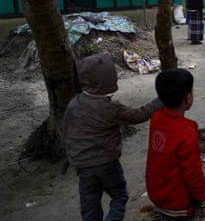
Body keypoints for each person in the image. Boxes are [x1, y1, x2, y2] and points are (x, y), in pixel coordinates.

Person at [62, 53, 163, 221]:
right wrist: (160, 101)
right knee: (119, 196)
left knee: (89, 205)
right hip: (106, 163)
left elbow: (66, 132)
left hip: (82, 165)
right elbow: (138, 115)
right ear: (110, 80)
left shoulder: (74, 103)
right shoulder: (110, 108)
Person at [146, 68, 205, 221]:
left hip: (157, 190)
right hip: (177, 202)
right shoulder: (186, 133)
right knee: (201, 183)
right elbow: (193, 173)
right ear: (188, 98)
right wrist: (203, 200)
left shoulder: (157, 118)